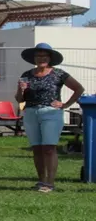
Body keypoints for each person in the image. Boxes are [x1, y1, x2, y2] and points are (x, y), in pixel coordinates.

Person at [16, 43, 84, 192]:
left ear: (50, 58)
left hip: (51, 113)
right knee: (37, 148)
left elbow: (79, 88)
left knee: (49, 148)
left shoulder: (59, 73)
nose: (41, 58)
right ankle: (41, 180)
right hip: (31, 112)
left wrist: (65, 105)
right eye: (38, 56)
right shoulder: (26, 75)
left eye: (44, 56)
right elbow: (19, 100)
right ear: (34, 58)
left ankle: (50, 182)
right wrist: (22, 92)